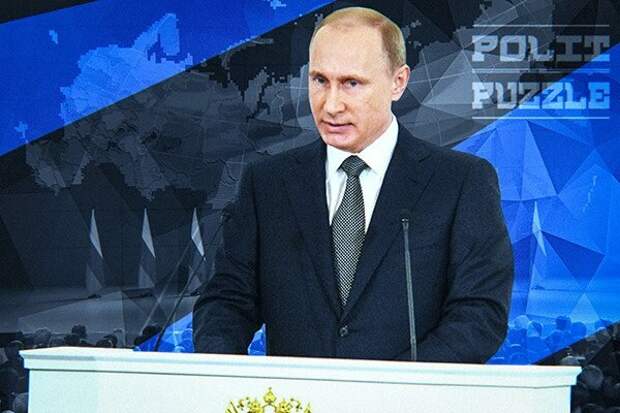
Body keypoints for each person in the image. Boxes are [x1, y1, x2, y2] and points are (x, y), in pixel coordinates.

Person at [193, 6, 513, 363]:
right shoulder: (267, 185)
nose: (331, 105)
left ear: (398, 82)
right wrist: (229, 378)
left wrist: (395, 386)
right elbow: (226, 302)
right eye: (320, 81)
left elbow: (479, 315)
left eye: (351, 83)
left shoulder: (460, 182)